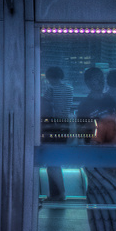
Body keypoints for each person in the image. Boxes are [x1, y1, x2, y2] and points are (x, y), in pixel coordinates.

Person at [40, 66, 74, 199]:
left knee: (51, 161)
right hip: (65, 126)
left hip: (52, 127)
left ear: (50, 77)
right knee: (57, 160)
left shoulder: (51, 90)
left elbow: (45, 107)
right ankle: (60, 192)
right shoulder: (69, 89)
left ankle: (57, 193)